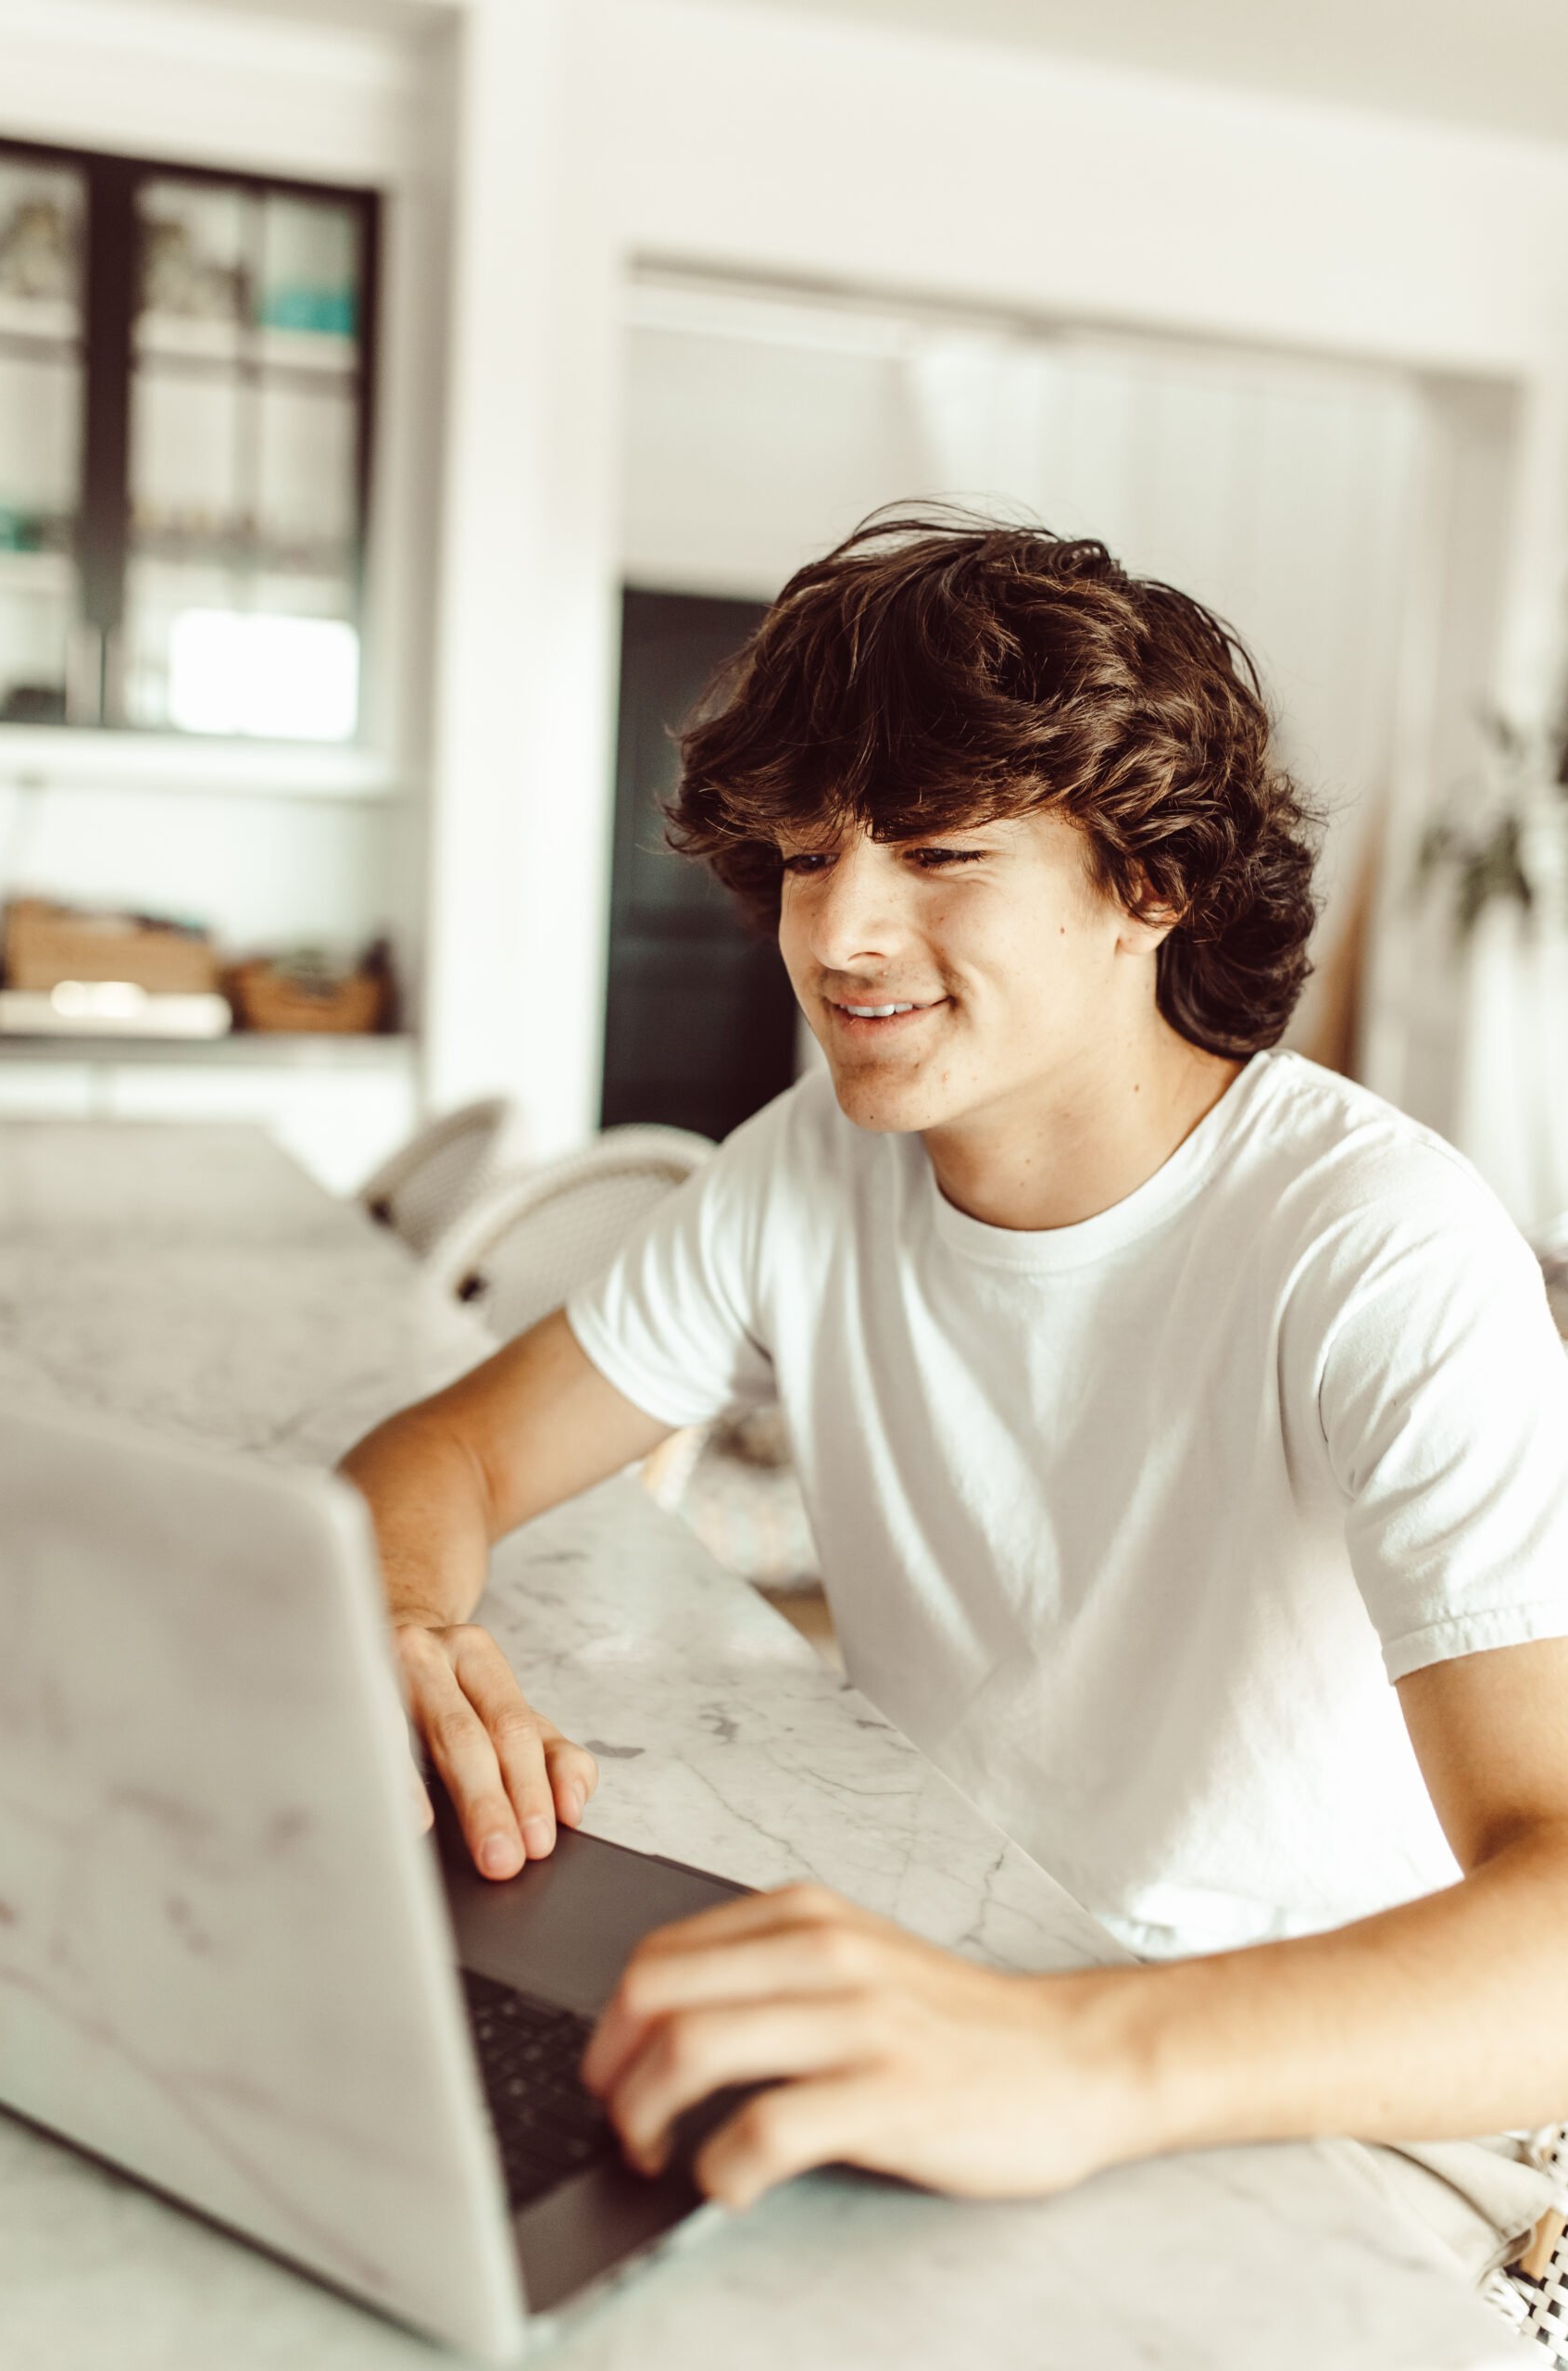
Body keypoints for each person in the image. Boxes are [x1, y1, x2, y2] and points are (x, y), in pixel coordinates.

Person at [340, 514, 1568, 2297]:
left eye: (938, 851)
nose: (838, 930)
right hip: (969, 1995)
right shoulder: (813, 1170)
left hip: (1345, 2135)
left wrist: (1068, 2057)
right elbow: (449, 1448)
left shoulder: (1374, 1248)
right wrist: (398, 1621)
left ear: (1151, 884)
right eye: (810, 853)